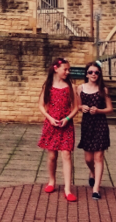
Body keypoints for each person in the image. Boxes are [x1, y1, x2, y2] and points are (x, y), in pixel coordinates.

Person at [38, 57, 79, 202]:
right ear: (56, 69)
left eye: (69, 70)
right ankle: (51, 181)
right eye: (65, 69)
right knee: (52, 156)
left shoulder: (71, 87)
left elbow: (76, 108)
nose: (67, 72)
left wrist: (67, 119)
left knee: (66, 155)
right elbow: (41, 106)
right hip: (52, 124)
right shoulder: (48, 86)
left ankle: (68, 189)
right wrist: (50, 118)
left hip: (66, 125)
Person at [77, 61, 113, 200]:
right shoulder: (80, 88)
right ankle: (92, 172)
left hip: (100, 125)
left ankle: (96, 189)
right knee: (88, 159)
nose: (93, 74)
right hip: (87, 125)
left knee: (98, 157)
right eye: (91, 72)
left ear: (99, 74)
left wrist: (98, 110)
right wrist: (82, 108)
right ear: (86, 74)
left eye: (96, 72)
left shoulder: (103, 90)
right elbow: (77, 105)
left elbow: (110, 109)